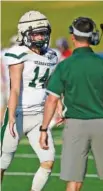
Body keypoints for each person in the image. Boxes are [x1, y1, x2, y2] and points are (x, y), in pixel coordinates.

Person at [39, 17, 103, 191]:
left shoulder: (65, 66)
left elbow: (52, 99)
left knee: (74, 181)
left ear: (73, 37)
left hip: (75, 126)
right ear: (94, 37)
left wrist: (44, 129)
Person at [0, 10, 59, 191]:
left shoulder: (51, 55)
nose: (41, 37)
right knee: (3, 163)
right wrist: (10, 116)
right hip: (18, 114)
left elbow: (52, 86)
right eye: (36, 33)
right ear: (24, 33)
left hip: (39, 117)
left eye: (43, 33)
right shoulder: (18, 53)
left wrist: (59, 106)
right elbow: (15, 88)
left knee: (48, 162)